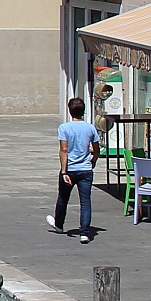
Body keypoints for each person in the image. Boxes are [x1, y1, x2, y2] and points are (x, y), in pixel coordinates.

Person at [52, 96, 101, 236]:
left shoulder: (64, 128)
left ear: (69, 110)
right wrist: (94, 160)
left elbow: (64, 150)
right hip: (85, 169)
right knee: (85, 201)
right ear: (83, 111)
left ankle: (59, 225)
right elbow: (96, 149)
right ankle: (84, 232)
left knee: (63, 198)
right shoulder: (90, 128)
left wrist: (63, 171)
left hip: (70, 169)